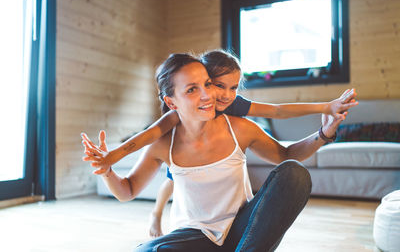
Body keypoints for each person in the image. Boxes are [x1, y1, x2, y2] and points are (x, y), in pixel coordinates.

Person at [82, 53, 356, 251]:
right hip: (193, 237)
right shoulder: (163, 142)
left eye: (207, 84)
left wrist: (324, 133)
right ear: (171, 101)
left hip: (244, 230)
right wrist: (106, 169)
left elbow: (286, 155)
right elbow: (126, 191)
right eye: (192, 89)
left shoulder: (240, 127)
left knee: (293, 174)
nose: (208, 95)